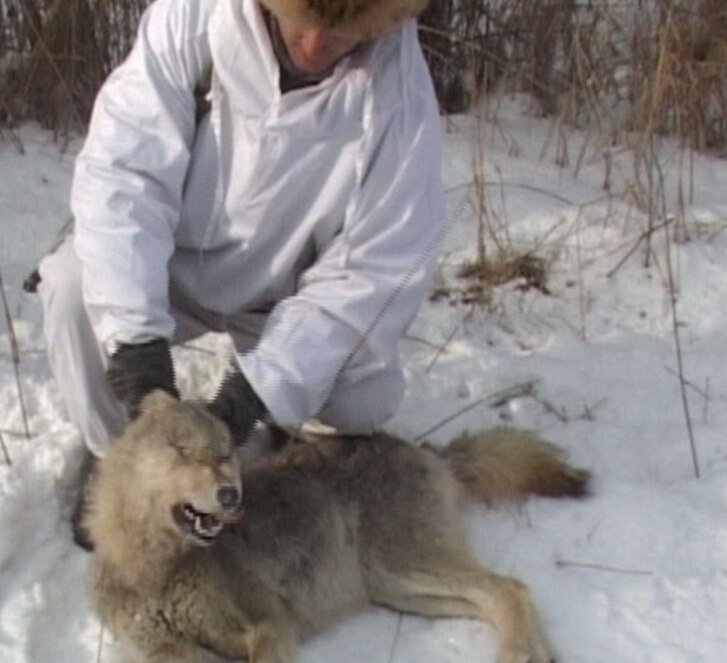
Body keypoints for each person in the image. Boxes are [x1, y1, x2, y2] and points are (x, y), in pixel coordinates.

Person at [37, 0, 445, 549]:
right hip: (173, 267)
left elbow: (371, 274)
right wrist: (137, 353)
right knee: (71, 291)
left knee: (361, 402)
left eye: (341, 33)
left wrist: (254, 394)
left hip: (284, 298)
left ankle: (278, 438)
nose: (314, 46)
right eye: (304, 20)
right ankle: (123, 455)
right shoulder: (194, 19)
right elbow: (125, 177)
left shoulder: (400, 101)